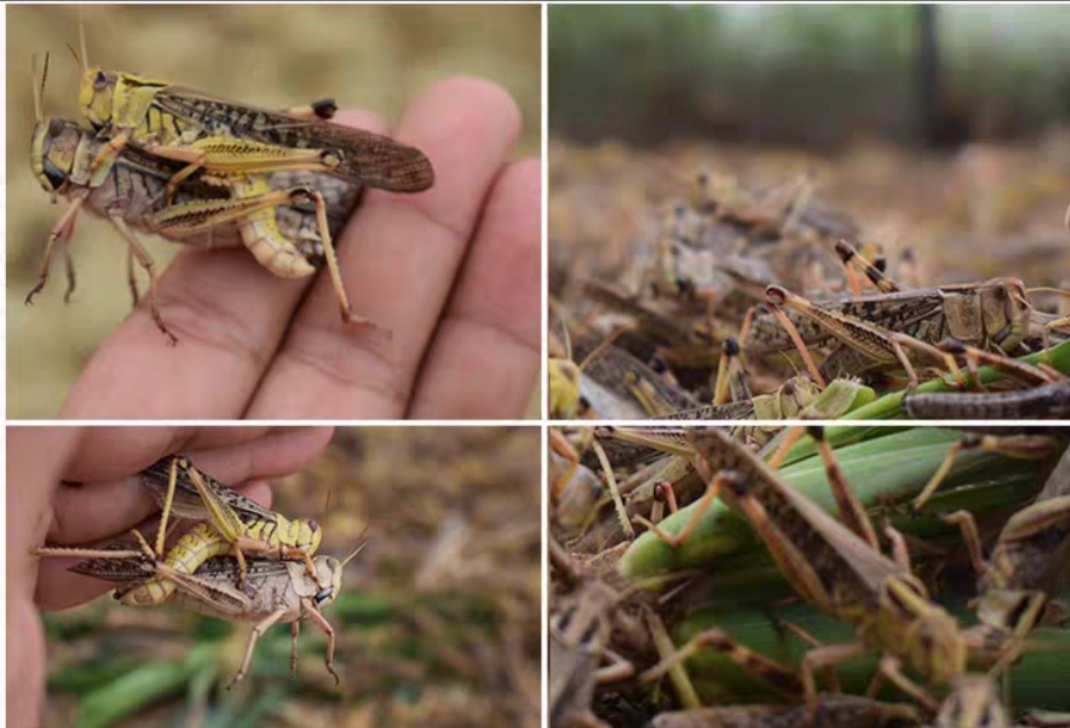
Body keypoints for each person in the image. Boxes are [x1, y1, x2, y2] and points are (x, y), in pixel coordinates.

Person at [57, 76, 540, 420]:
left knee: (316, 151)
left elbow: (193, 158)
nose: (94, 99)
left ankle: (347, 307)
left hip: (244, 168)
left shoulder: (149, 114)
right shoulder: (117, 144)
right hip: (237, 186)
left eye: (102, 87)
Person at [7, 425, 335, 728]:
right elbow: (238, 542)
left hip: (207, 562)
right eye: (307, 543)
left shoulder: (292, 572)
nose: (306, 553)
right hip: (214, 536)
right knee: (173, 510)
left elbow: (248, 556)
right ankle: (151, 558)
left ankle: (147, 563)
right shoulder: (278, 535)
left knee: (152, 565)